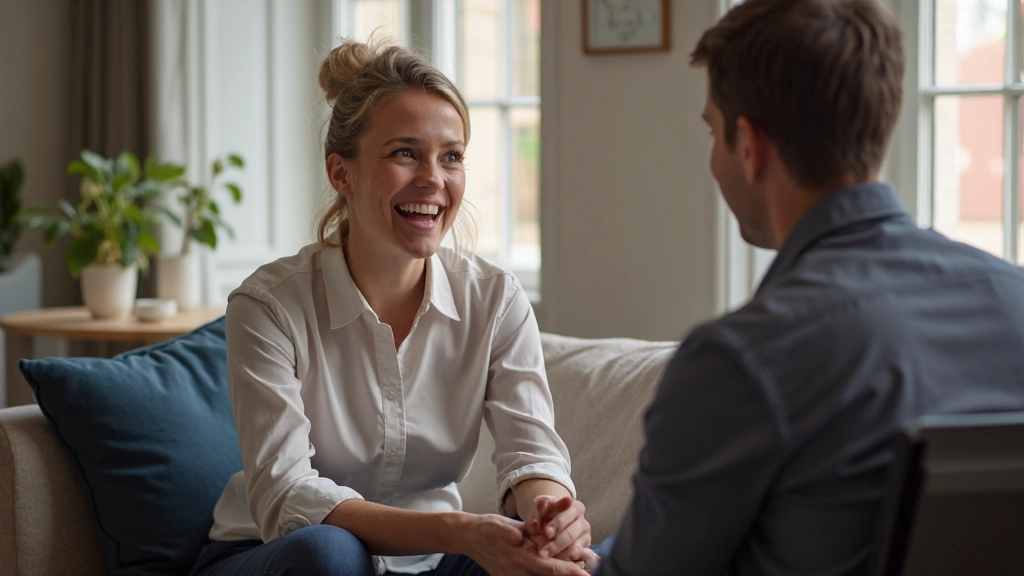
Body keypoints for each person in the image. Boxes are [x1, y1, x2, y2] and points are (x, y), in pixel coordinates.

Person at [596, 1, 1024, 575]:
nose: (713, 159)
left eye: (713, 133)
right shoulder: (1015, 297)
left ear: (750, 147)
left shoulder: (739, 360)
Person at [189, 39, 597, 576]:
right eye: (405, 153)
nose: (434, 179)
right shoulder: (268, 306)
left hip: (433, 562)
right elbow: (287, 495)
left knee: (568, 562)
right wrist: (462, 531)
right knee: (331, 553)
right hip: (282, 556)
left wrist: (551, 518)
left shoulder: (496, 299)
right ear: (341, 173)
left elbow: (531, 453)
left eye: (451, 157)